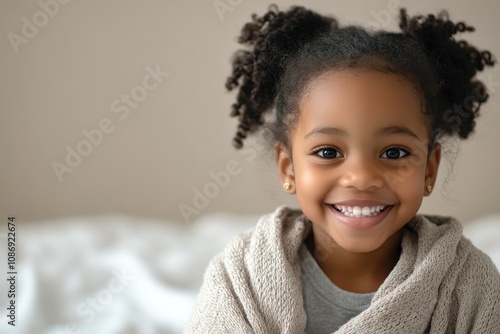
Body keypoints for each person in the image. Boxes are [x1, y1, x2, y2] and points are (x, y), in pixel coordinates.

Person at [184, 4, 500, 333]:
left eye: (394, 152)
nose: (361, 177)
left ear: (429, 170)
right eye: (328, 151)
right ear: (288, 169)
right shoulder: (241, 277)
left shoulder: (468, 283)